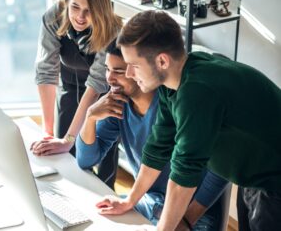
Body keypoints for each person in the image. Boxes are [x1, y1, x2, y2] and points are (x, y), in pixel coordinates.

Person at [100, 10, 281, 231]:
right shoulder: (174, 83)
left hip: (273, 182)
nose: (128, 73)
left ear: (162, 61)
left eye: (134, 65)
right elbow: (158, 148)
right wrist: (130, 201)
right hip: (252, 177)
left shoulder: (197, 92)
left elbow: (183, 175)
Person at [79, 40, 229, 230]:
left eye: (118, 71)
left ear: (139, 70)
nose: (109, 78)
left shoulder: (177, 104)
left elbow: (222, 168)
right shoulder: (117, 104)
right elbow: (86, 160)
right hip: (150, 203)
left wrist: (187, 219)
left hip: (191, 212)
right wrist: (90, 116)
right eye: (108, 69)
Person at [31, 0, 122, 159]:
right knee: (60, 151)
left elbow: (96, 83)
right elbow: (46, 72)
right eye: (75, 7)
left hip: (103, 94)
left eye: (89, 10)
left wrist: (69, 139)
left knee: (99, 156)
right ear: (67, 2)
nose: (80, 17)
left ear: (101, 10)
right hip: (69, 86)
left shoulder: (112, 30)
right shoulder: (53, 18)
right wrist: (47, 134)